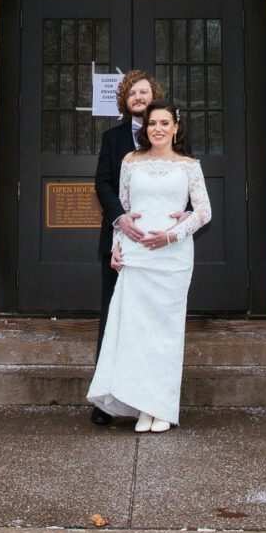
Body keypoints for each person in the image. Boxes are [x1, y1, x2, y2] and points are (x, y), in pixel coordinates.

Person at [85, 99, 211, 432]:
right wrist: (116, 246)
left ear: (175, 127)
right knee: (136, 332)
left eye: (164, 123)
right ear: (145, 128)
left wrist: (172, 236)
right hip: (136, 254)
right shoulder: (130, 161)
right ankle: (142, 406)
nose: (158, 129)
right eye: (152, 123)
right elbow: (125, 210)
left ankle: (162, 408)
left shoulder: (189, 165)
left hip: (172, 257)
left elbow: (204, 211)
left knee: (165, 333)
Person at [89, 70, 157, 427]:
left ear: (153, 95)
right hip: (118, 241)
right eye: (132, 93)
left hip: (157, 243)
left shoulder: (170, 133)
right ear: (125, 101)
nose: (138, 97)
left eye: (143, 91)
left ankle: (148, 400)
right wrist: (120, 218)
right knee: (113, 320)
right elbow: (102, 183)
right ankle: (106, 401)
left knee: (149, 321)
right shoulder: (112, 138)